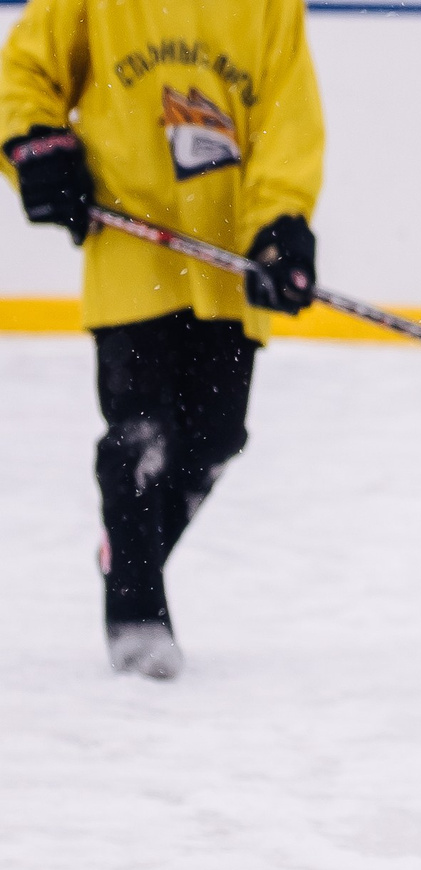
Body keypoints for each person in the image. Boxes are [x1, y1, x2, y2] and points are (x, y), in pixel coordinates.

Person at [2, 0, 324, 681]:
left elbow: (285, 117)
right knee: (138, 434)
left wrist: (281, 225)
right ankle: (136, 613)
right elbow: (25, 70)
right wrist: (35, 142)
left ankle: (128, 543)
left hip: (228, 258)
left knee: (214, 438)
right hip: (131, 248)